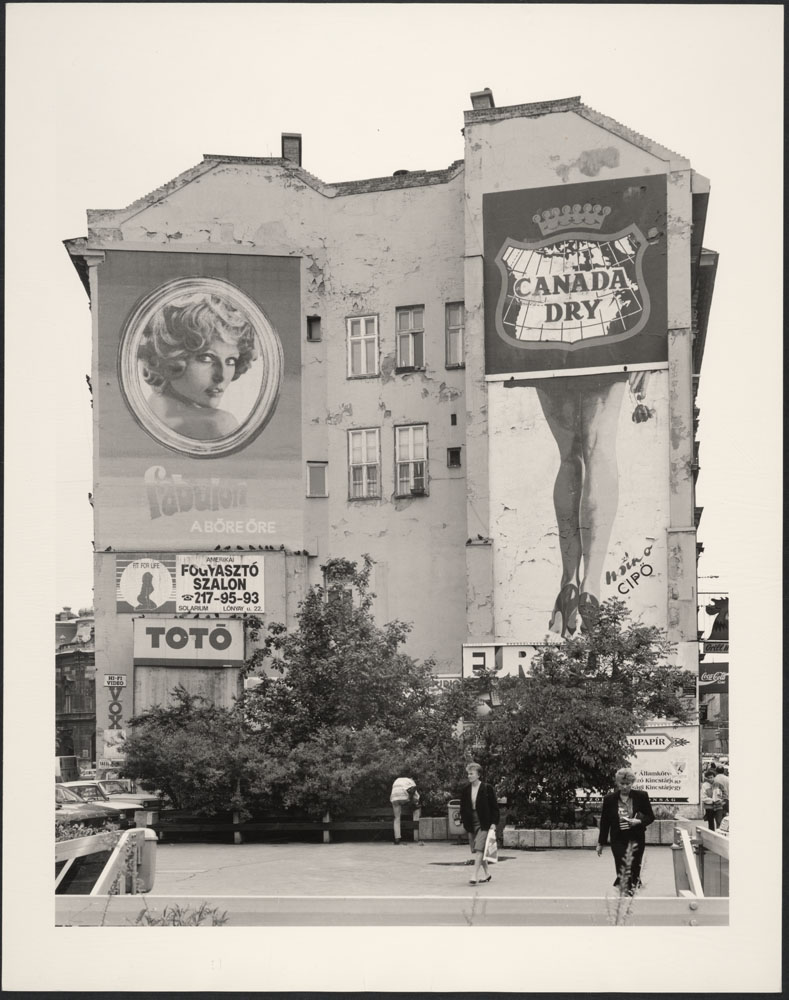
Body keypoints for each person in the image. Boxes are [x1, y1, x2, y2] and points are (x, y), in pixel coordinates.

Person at [534, 370, 651, 636]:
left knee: (568, 455)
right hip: (609, 349)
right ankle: (591, 588)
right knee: (599, 448)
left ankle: (569, 583)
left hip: (546, 350)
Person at [138, 291, 258, 440]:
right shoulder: (218, 424)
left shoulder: (149, 408)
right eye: (206, 358)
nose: (221, 376)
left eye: (231, 361)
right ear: (171, 358)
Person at [596, 767, 654, 894]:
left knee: (634, 865)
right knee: (622, 864)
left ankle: (631, 886)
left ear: (632, 783)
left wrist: (639, 821)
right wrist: (601, 843)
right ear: (617, 783)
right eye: (622, 783)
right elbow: (605, 822)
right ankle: (626, 891)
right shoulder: (609, 799)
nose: (625, 786)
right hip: (618, 838)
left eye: (628, 783)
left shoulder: (641, 796)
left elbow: (650, 816)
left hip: (636, 837)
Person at [459, 762, 500, 885]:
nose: (469, 776)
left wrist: (494, 823)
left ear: (478, 775)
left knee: (479, 848)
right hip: (471, 822)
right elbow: (463, 807)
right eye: (468, 774)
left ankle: (474, 875)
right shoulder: (466, 789)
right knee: (477, 849)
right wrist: (464, 821)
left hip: (484, 822)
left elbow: (494, 807)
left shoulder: (487, 788)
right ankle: (487, 874)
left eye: (471, 774)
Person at [389, 777, 420, 844]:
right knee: (416, 800)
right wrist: (414, 802)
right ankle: (413, 806)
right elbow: (414, 791)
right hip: (404, 796)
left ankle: (397, 838)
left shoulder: (398, 780)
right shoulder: (411, 781)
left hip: (394, 797)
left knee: (397, 818)